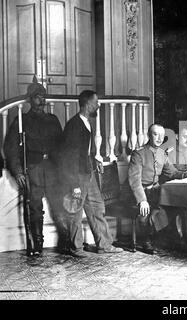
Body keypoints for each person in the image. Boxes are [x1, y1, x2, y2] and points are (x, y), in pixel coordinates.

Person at [4, 82, 67, 257]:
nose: (42, 99)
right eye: (38, 96)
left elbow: (62, 147)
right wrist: (17, 171)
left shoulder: (53, 120)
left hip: (53, 169)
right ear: (30, 100)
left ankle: (65, 241)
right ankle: (37, 244)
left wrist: (63, 169)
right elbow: (11, 149)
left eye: (43, 95)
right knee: (35, 208)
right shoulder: (21, 121)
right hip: (33, 169)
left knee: (58, 205)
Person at [58, 90, 123, 257]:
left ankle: (104, 244)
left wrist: (96, 162)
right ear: (88, 104)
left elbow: (86, 151)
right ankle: (76, 248)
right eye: (96, 103)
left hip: (88, 172)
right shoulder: (74, 125)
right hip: (77, 175)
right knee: (76, 211)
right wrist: (74, 185)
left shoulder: (87, 122)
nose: (98, 106)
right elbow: (69, 157)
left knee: (97, 207)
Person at [128, 124, 187, 254]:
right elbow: (134, 180)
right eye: (155, 134)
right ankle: (146, 240)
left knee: (176, 204)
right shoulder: (138, 153)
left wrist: (185, 174)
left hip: (155, 191)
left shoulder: (162, 153)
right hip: (140, 192)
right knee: (146, 210)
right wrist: (142, 200)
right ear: (148, 135)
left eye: (162, 135)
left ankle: (175, 238)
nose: (159, 138)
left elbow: (171, 172)